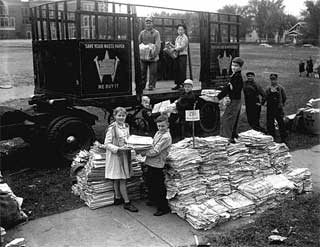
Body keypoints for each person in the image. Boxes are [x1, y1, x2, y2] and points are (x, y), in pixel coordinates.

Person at [104, 107, 138, 212]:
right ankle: (127, 202)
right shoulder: (112, 128)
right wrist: (118, 149)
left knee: (119, 177)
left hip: (124, 154)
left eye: (123, 116)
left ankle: (118, 198)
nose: (121, 118)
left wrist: (130, 144)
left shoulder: (126, 126)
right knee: (120, 177)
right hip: (116, 155)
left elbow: (127, 138)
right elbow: (107, 143)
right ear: (114, 116)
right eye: (119, 115)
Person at [141, 115, 172, 216]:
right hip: (151, 162)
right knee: (151, 182)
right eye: (158, 126)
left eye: (163, 126)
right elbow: (152, 144)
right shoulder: (158, 133)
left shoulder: (166, 137)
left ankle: (163, 207)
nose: (160, 128)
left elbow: (155, 151)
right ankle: (153, 199)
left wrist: (143, 152)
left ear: (167, 125)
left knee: (158, 186)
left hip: (158, 163)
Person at [216, 57, 244, 143]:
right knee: (233, 118)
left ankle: (225, 139)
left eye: (236, 66)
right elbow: (229, 87)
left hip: (235, 100)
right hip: (236, 99)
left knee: (227, 120)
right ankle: (233, 136)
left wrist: (219, 96)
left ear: (240, 67)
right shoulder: (235, 75)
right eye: (232, 65)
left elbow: (231, 88)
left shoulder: (236, 77)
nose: (233, 67)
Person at [262, 73, 287, 143]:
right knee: (270, 122)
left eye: (274, 80)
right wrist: (262, 103)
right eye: (272, 80)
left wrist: (281, 104)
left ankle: (283, 137)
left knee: (280, 122)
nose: (273, 81)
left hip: (278, 108)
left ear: (277, 79)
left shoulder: (280, 88)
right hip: (270, 108)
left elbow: (284, 97)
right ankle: (272, 136)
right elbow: (265, 97)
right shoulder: (268, 88)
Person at [138, 17, 161, 91]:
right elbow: (138, 43)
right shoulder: (142, 33)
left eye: (150, 22)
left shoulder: (156, 33)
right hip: (143, 57)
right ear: (145, 24)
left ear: (152, 24)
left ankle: (151, 86)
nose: (148, 24)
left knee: (153, 72)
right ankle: (142, 86)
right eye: (147, 22)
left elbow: (158, 45)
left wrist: (153, 54)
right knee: (142, 72)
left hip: (153, 57)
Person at [172, 24, 189, 90]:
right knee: (177, 70)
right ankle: (178, 85)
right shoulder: (177, 37)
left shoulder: (185, 38)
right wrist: (170, 45)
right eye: (179, 30)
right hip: (177, 55)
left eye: (181, 30)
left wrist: (175, 49)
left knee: (182, 70)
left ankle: (183, 85)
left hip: (183, 55)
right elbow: (176, 46)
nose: (180, 31)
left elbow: (182, 47)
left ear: (184, 30)